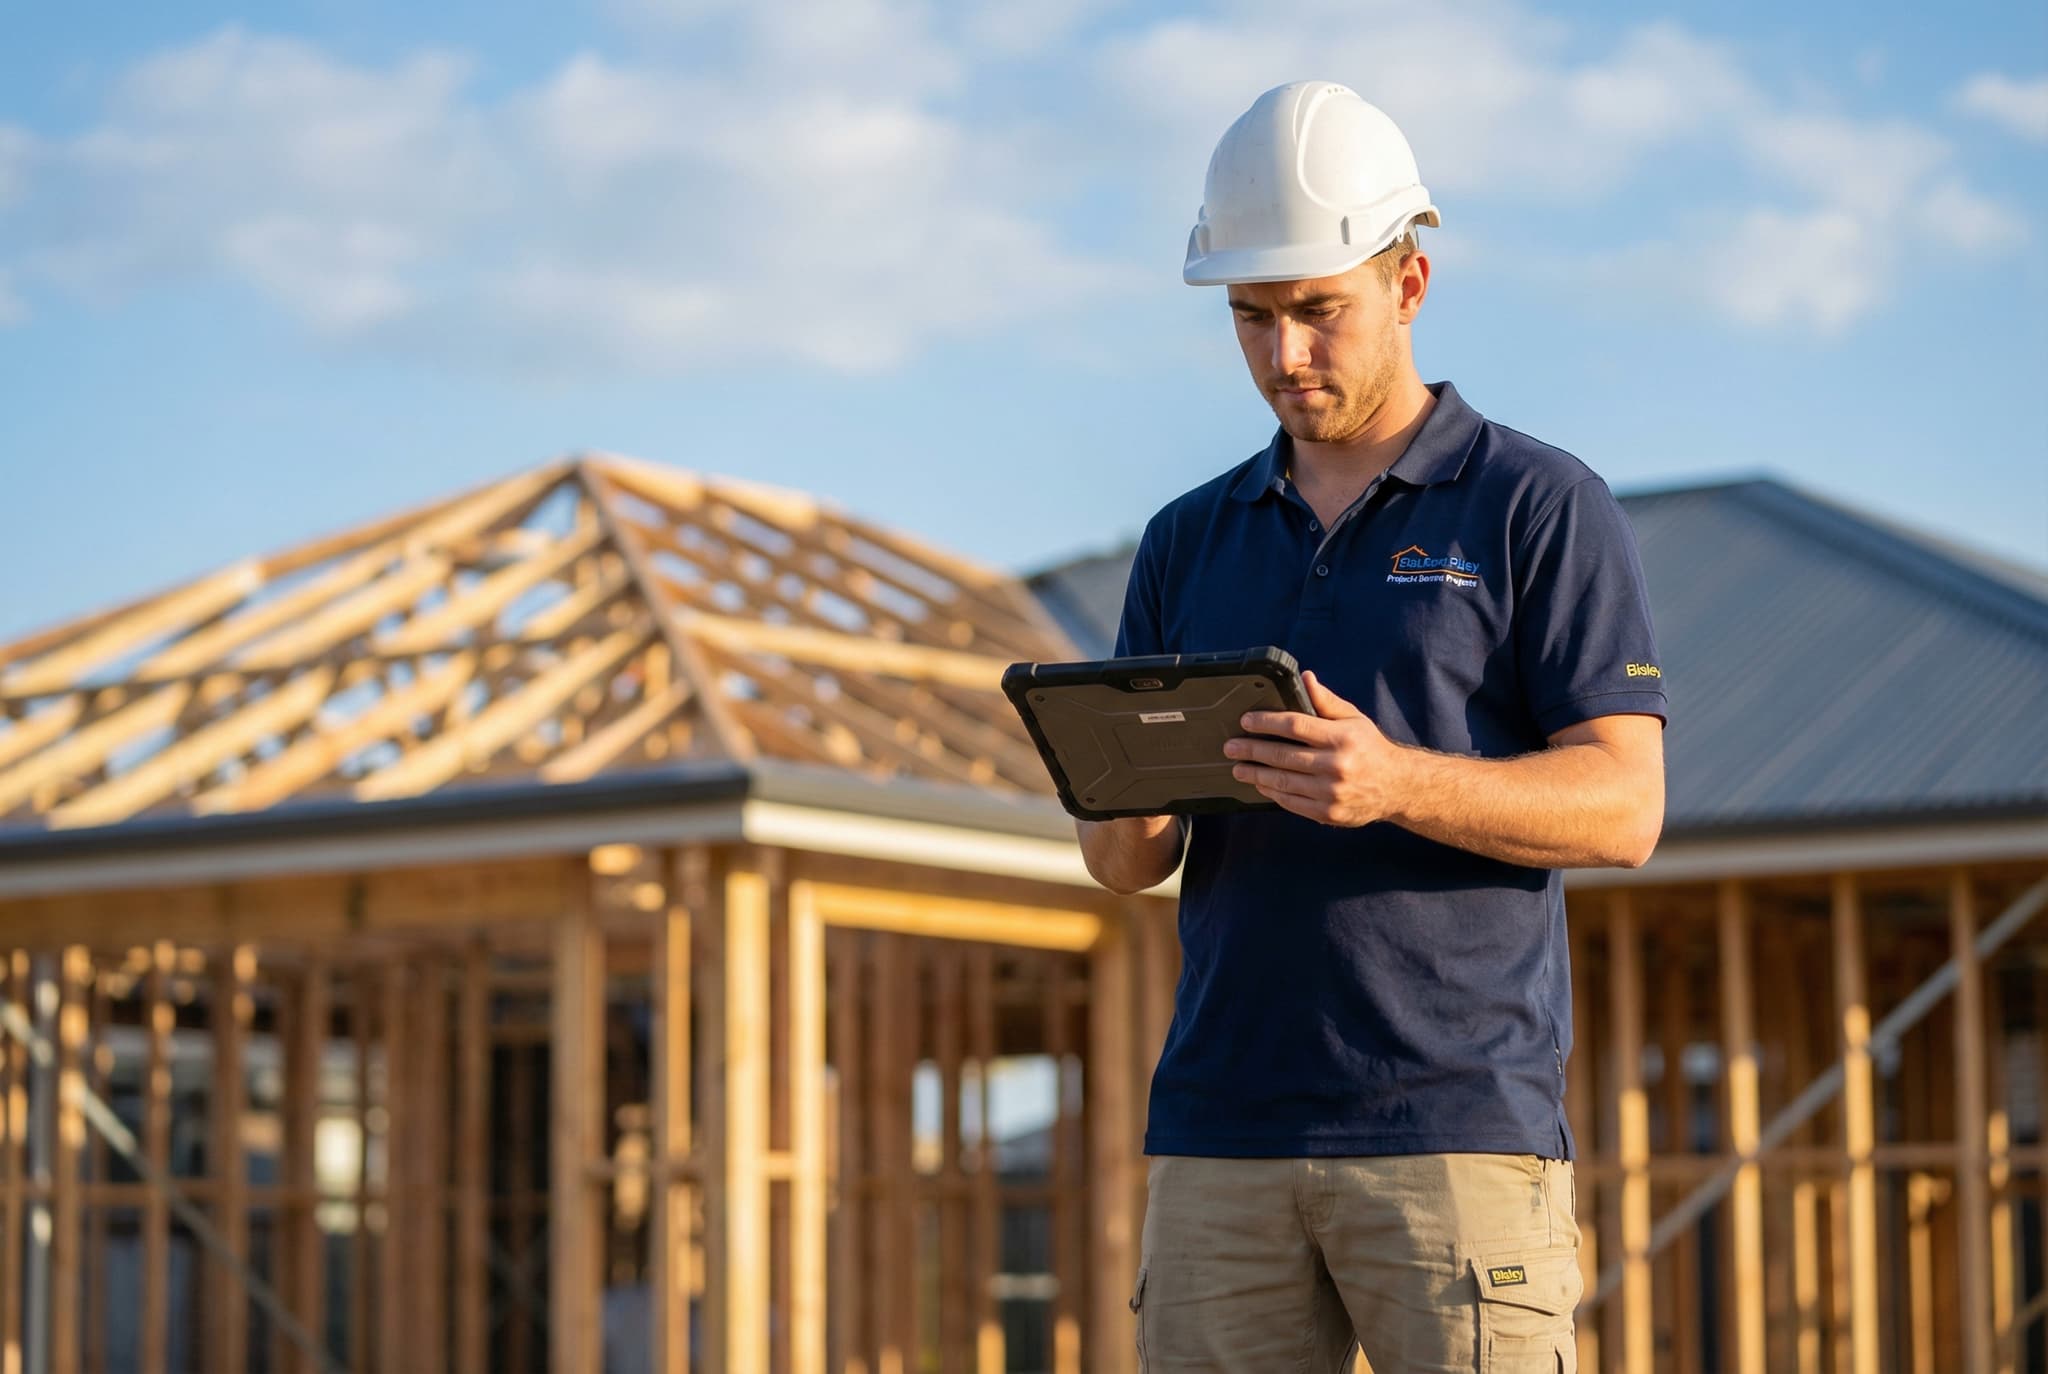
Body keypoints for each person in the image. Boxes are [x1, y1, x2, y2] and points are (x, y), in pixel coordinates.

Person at [1076, 80, 1669, 1373]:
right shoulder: (1187, 539)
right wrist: (1118, 798)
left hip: (1455, 1138)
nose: (1285, 355)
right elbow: (1126, 864)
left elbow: (1626, 806)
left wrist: (1391, 780)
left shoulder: (1538, 507)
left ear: (1410, 282)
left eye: (1316, 311)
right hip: (1220, 1137)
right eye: (1251, 317)